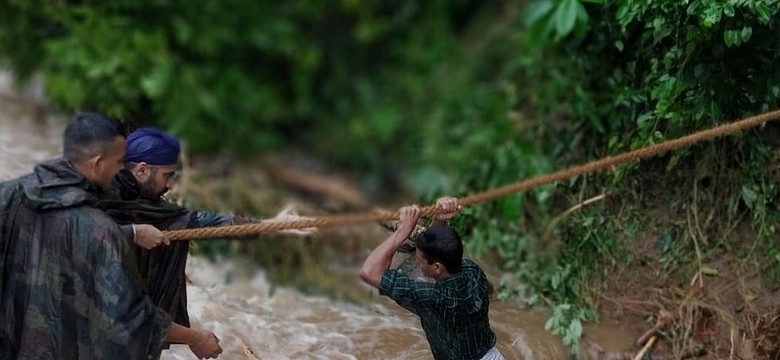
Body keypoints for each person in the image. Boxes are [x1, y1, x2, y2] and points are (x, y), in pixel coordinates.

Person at [0, 111, 222, 359]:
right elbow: (132, 317)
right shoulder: (100, 230)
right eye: (119, 163)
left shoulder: (8, 193)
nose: (121, 171)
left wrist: (129, 232)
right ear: (97, 163)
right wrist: (196, 337)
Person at [99, 126, 313, 334]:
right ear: (142, 170)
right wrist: (134, 233)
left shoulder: (149, 207)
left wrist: (270, 225)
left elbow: (201, 221)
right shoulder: (92, 193)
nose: (171, 185)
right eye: (167, 175)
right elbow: (77, 233)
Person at [359, 197, 505, 360]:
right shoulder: (474, 272)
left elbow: (369, 272)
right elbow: (444, 250)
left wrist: (402, 232)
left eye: (419, 259)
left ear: (436, 267)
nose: (416, 260)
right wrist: (439, 220)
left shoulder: (432, 298)